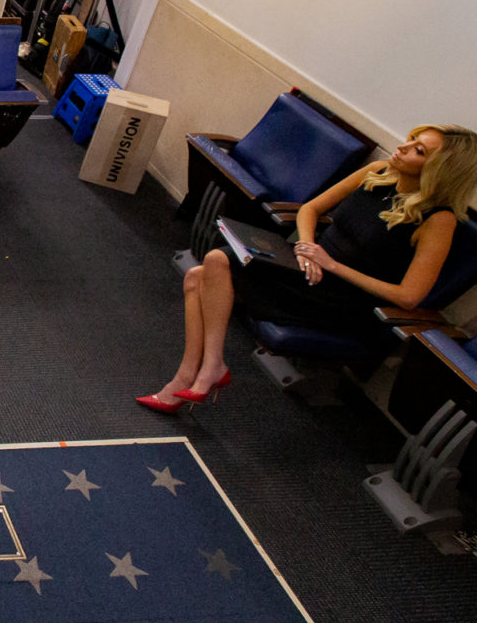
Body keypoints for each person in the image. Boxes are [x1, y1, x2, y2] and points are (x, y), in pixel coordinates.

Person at [138, 124, 477, 413]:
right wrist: (306, 248)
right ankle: (192, 374)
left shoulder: (439, 220)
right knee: (200, 276)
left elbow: (408, 296)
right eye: (411, 139)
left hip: (345, 299)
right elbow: (310, 210)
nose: (402, 147)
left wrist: (331, 265)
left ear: (439, 169)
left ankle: (204, 370)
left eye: (417, 150)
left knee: (213, 264)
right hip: (306, 270)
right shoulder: (376, 174)